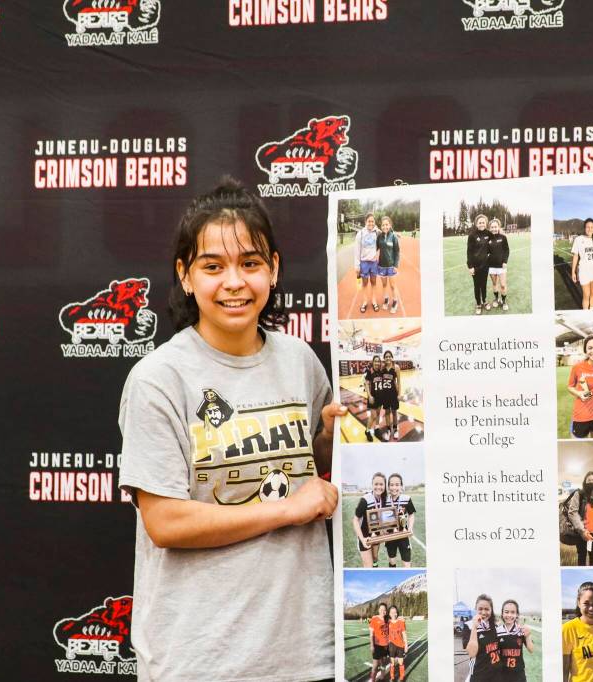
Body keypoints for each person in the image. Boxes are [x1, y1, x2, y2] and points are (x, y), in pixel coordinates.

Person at [117, 177, 343, 681]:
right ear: (185, 275)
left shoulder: (300, 361)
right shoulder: (159, 378)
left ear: (274, 269)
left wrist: (330, 438)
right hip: (201, 659)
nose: (234, 282)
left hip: (303, 653)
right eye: (213, 266)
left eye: (250, 263)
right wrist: (285, 510)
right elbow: (166, 522)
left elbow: (312, 472)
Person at [566, 335, 593, 439]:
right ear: (585, 350)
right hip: (581, 415)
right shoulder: (577, 367)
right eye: (590, 348)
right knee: (577, 449)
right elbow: (570, 386)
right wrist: (579, 393)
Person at [564, 471, 593, 566]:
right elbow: (572, 512)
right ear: (585, 482)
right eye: (589, 480)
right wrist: (582, 531)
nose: (592, 482)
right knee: (582, 557)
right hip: (581, 533)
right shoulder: (579, 494)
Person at [463, 594, 501, 681]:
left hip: (496, 674)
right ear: (476, 609)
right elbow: (472, 653)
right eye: (480, 609)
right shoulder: (468, 626)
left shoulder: (495, 626)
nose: (483, 612)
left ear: (491, 610)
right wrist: (474, 627)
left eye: (487, 609)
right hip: (479, 674)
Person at [353, 472, 388, 567]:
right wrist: (362, 539)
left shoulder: (384, 499)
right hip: (365, 537)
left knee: (375, 559)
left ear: (385, 485)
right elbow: (355, 520)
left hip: (376, 535)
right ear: (372, 485)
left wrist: (383, 531)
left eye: (381, 484)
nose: (378, 487)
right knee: (369, 565)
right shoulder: (365, 500)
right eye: (376, 484)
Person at [496, 599, 534, 681]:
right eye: (506, 612)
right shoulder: (497, 631)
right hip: (502, 674)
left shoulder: (521, 630)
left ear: (517, 614)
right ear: (502, 613)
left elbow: (531, 650)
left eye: (513, 612)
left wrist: (528, 636)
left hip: (518, 675)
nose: (509, 615)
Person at [385, 473, 417, 568]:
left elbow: (411, 514)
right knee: (392, 562)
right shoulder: (384, 500)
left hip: (403, 534)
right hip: (390, 535)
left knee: (406, 564)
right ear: (388, 486)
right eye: (391, 485)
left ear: (401, 486)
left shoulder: (406, 499)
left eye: (397, 484)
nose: (394, 487)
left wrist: (410, 528)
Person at [571, 218, 593, 309]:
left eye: (592, 227)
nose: (590, 229)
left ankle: (592, 312)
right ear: (584, 228)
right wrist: (573, 272)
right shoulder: (579, 239)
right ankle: (586, 314)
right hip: (584, 272)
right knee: (586, 295)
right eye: (588, 227)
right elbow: (575, 256)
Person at [354, 212, 381, 313]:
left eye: (372, 221)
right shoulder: (360, 234)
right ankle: (365, 302)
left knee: (373, 282)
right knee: (364, 283)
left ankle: (374, 301)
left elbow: (385, 232)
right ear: (365, 222)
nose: (371, 223)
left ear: (374, 222)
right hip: (364, 263)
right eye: (369, 221)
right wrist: (357, 266)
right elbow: (356, 251)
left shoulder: (376, 232)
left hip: (373, 262)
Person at [467, 213, 492, 315]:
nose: (481, 224)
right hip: (475, 266)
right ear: (476, 223)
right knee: (477, 285)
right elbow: (469, 251)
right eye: (479, 222)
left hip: (485, 265)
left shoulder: (489, 234)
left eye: (483, 222)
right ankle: (478, 303)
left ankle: (485, 301)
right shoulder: (472, 235)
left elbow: (494, 244)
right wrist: (470, 266)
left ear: (486, 223)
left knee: (484, 284)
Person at [375, 350, 402, 442]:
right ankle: (388, 430)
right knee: (387, 413)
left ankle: (395, 430)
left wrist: (399, 393)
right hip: (385, 394)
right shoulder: (382, 368)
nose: (388, 358)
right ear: (384, 358)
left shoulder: (396, 367)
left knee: (394, 412)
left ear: (392, 357)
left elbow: (398, 382)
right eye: (386, 356)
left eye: (389, 356)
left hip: (393, 394)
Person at [377, 215, 401, 314]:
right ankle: (386, 300)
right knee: (384, 285)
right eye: (383, 225)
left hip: (391, 266)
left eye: (387, 225)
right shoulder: (379, 236)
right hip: (382, 266)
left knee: (392, 286)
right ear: (381, 226)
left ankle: (395, 302)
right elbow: (375, 248)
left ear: (390, 225)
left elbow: (397, 252)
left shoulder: (394, 236)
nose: (385, 227)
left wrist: (396, 265)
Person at [485, 218, 510, 312]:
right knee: (495, 284)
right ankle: (496, 299)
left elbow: (507, 250)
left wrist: (505, 261)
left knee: (503, 285)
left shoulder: (503, 238)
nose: (494, 229)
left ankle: (503, 301)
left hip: (501, 266)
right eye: (492, 227)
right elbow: (485, 251)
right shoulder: (488, 239)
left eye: (495, 227)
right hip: (491, 266)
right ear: (489, 228)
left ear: (498, 227)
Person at [369, 602, 391, 682]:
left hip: (385, 646)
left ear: (386, 611)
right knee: (375, 666)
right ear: (378, 610)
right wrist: (372, 645)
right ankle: (373, 680)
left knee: (383, 664)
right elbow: (371, 634)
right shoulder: (374, 619)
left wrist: (401, 618)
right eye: (381, 609)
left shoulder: (388, 620)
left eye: (384, 610)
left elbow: (395, 620)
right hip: (377, 646)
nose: (383, 611)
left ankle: (382, 678)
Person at [364, 355, 383, 441]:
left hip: (380, 397)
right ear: (373, 362)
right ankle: (367, 431)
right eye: (375, 361)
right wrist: (369, 396)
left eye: (378, 361)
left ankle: (376, 428)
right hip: (372, 398)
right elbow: (366, 384)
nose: (377, 363)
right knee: (373, 416)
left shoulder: (380, 371)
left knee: (378, 414)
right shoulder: (369, 371)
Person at [387, 604, 408, 681]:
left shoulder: (401, 622)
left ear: (397, 613)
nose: (393, 614)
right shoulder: (387, 622)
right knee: (392, 663)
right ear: (389, 613)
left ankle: (402, 677)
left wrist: (406, 645)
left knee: (401, 662)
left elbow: (404, 634)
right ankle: (392, 677)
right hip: (391, 645)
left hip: (400, 645)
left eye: (394, 612)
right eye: (391, 612)